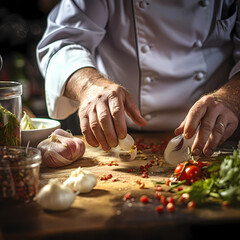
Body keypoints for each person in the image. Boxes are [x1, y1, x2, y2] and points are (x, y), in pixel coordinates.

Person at [37, 0, 240, 156]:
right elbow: (62, 41)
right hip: (120, 132)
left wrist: (231, 97)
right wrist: (90, 85)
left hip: (218, 136)